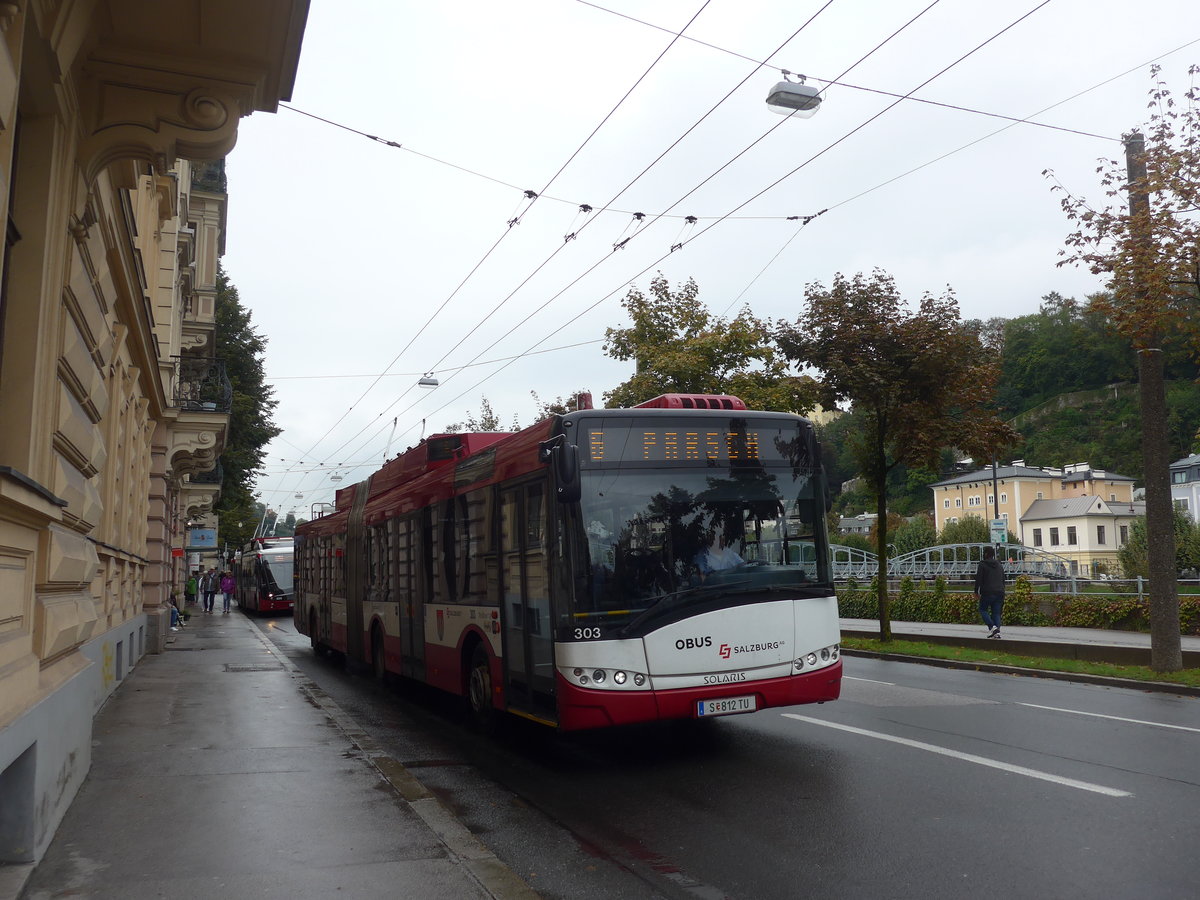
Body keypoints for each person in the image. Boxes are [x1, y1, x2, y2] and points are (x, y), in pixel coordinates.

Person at [973, 545, 1006, 638]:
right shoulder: (999, 565)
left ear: (986, 554)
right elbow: (1003, 579)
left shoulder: (982, 564)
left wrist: (976, 591)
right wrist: (1003, 590)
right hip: (1000, 592)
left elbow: (979, 579)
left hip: (987, 592)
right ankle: (997, 632)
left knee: (983, 610)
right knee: (996, 613)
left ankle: (992, 627)